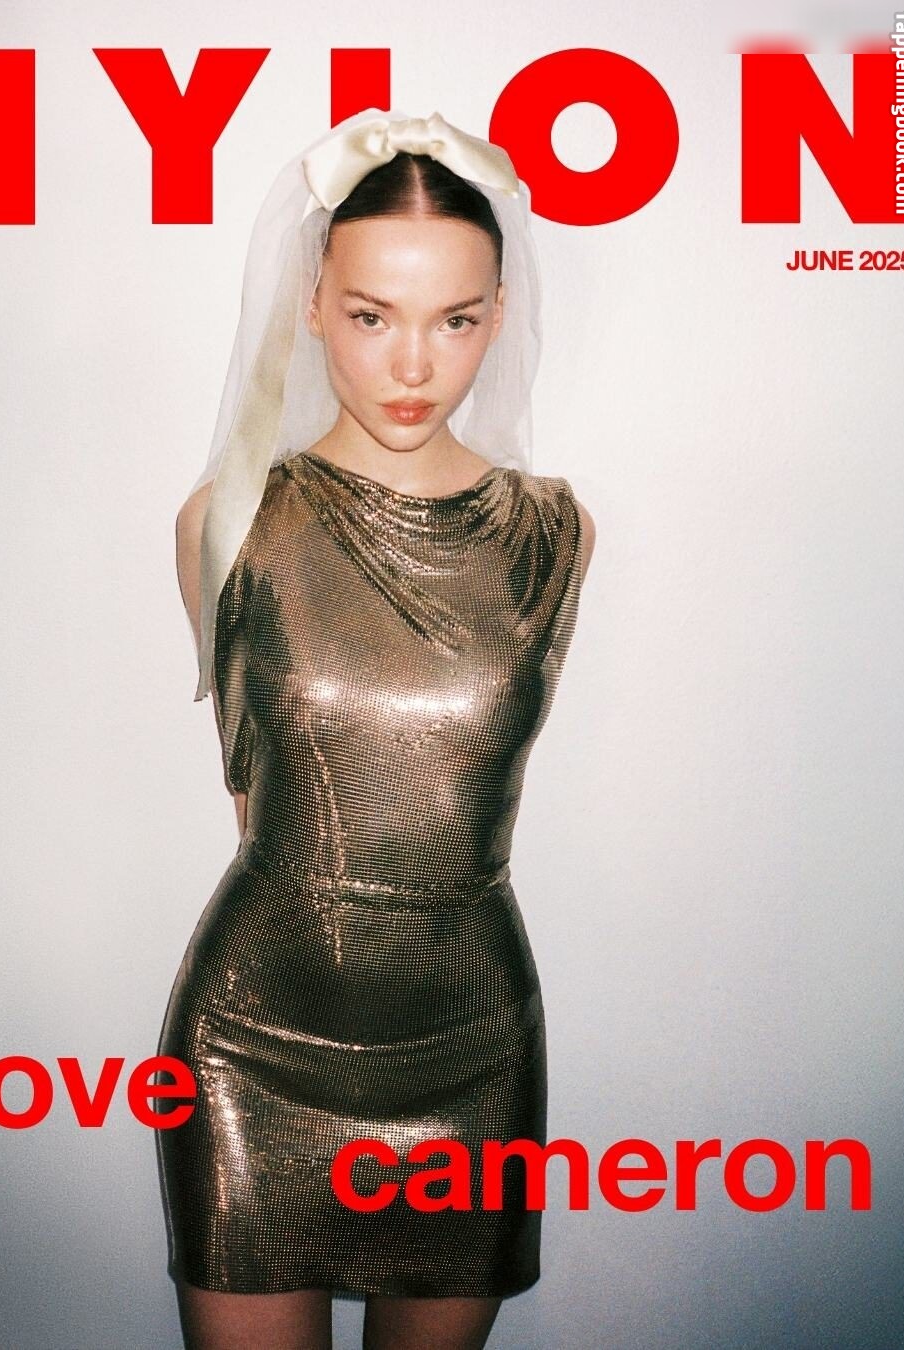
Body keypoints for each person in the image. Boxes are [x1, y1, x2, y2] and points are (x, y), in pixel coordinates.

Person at [156, 109, 596, 1350]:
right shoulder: (229, 524)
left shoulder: (555, 538)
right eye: (371, 315)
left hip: (472, 1053)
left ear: (499, 316)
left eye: (454, 320)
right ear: (311, 304)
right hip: (251, 1049)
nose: (413, 364)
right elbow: (258, 795)